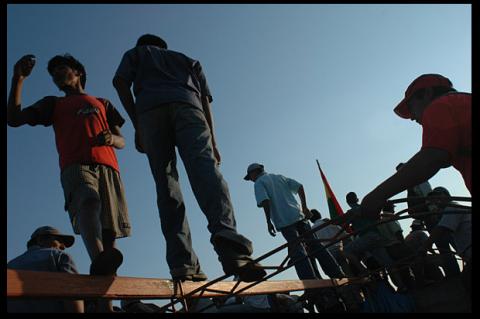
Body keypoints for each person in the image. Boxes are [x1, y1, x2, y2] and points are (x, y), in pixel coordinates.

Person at [112, 34, 265, 282]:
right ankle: (230, 246)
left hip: (150, 113)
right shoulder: (186, 59)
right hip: (188, 107)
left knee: (166, 185)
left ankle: (183, 263)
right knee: (206, 172)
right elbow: (205, 99)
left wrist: (137, 123)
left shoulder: (136, 53)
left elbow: (120, 82)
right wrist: (213, 141)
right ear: (164, 46)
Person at [7, 54, 129, 312]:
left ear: (78, 73)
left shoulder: (103, 103)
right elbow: (14, 119)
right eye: (53, 74)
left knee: (109, 233)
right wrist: (18, 79)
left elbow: (122, 140)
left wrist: (111, 139)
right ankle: (98, 260)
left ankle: (106, 305)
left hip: (109, 168)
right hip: (76, 166)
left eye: (62, 69)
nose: (56, 75)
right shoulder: (53, 104)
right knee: (88, 200)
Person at [360, 74, 471, 219]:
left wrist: (375, 197)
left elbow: (431, 159)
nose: (412, 117)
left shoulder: (440, 105)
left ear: (427, 93)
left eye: (411, 106)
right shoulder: (463, 103)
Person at [244, 163, 344, 312]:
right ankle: (337, 273)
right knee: (317, 246)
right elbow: (300, 186)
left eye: (250, 177)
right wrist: (304, 207)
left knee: (298, 251)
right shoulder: (279, 177)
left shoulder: (259, 182)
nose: (250, 180)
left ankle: (311, 283)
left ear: (254, 173)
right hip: (299, 216)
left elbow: (265, 201)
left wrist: (268, 221)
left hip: (284, 221)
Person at [7, 226, 84, 313]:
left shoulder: (10, 265)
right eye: (59, 241)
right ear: (41, 240)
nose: (63, 247)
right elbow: (74, 304)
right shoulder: (59, 256)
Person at [421, 187, 470, 289]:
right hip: (468, 252)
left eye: (438, 195)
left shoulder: (452, 207)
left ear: (447, 196)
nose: (436, 200)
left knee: (466, 280)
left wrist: (425, 246)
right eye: (433, 198)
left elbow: (441, 229)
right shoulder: (451, 209)